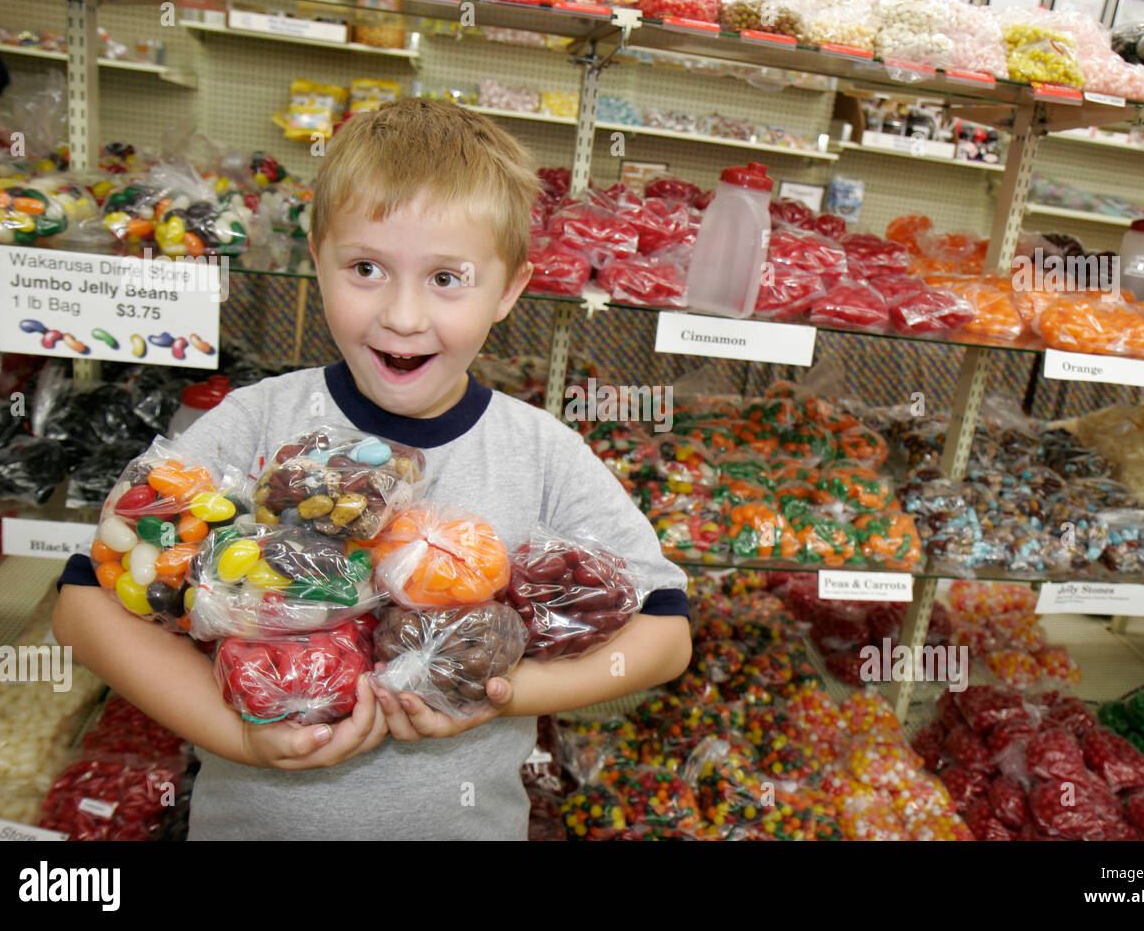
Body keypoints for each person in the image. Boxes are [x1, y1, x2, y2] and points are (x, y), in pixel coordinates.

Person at [51, 99, 693, 840]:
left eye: (448, 278)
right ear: (317, 259)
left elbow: (666, 633)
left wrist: (508, 689)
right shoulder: (258, 423)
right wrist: (236, 736)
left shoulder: (540, 450)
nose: (404, 315)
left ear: (510, 289)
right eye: (365, 268)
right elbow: (83, 606)